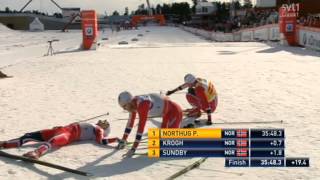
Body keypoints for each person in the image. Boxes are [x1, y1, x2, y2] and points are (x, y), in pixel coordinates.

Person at [0, 120, 119, 159]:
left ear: (105, 129)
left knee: (52, 142)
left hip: (67, 136)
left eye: (106, 123)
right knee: (28, 136)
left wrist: (116, 139)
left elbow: (102, 141)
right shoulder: (93, 125)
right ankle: (5, 144)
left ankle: (37, 152)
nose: (104, 121)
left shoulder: (99, 130)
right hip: (61, 129)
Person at [117, 92, 183, 158]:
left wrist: (133, 148)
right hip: (166, 114)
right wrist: (123, 140)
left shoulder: (143, 105)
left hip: (175, 111)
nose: (124, 109)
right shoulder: (133, 104)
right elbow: (130, 122)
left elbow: (141, 128)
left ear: (129, 102)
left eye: (124, 107)